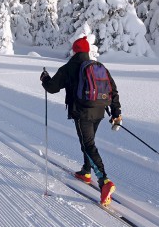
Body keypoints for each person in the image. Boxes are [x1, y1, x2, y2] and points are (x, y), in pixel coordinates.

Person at [40, 36, 122, 206]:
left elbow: (52, 88)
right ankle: (86, 171)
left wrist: (45, 78)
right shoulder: (99, 67)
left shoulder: (69, 67)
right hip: (99, 111)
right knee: (88, 141)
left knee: (88, 145)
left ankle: (104, 181)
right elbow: (113, 91)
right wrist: (116, 113)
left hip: (82, 112)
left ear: (75, 50)